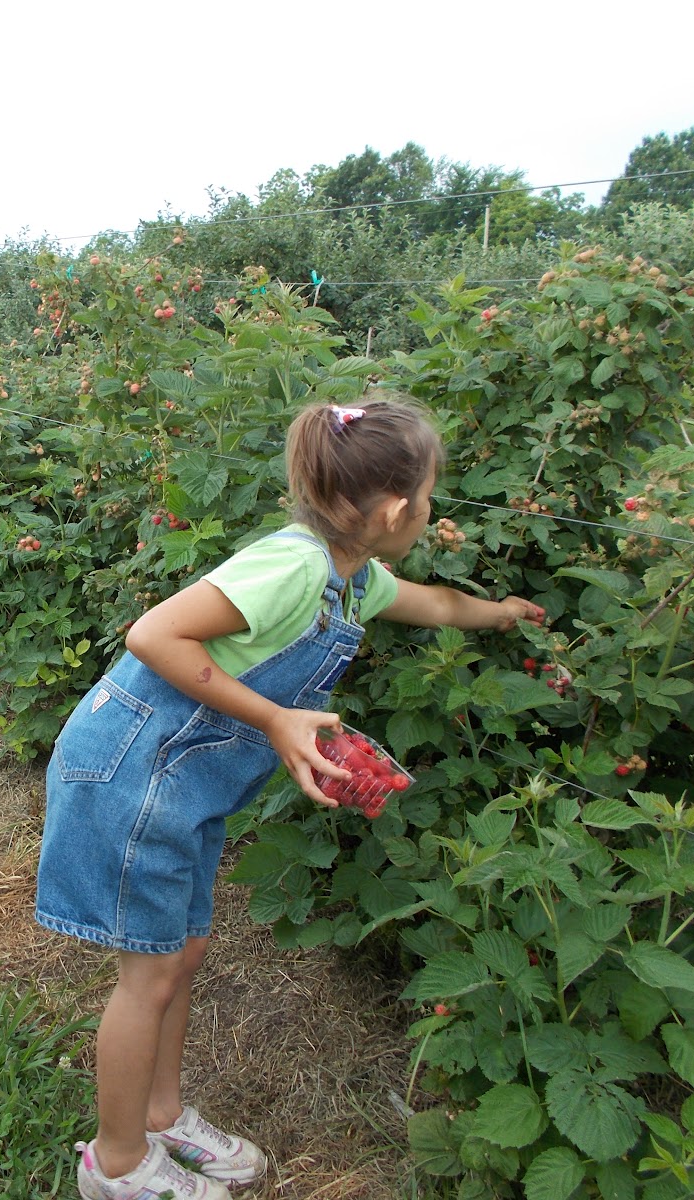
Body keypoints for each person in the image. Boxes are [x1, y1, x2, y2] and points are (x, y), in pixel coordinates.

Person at [36, 396, 545, 1200]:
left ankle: (162, 1115)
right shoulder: (294, 566)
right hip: (133, 769)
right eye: (431, 498)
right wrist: (277, 719)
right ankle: (117, 1162)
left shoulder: (353, 578)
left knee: (183, 954)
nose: (431, 512)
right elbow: (152, 635)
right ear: (395, 508)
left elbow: (436, 604)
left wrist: (502, 615)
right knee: (151, 975)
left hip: (184, 780)